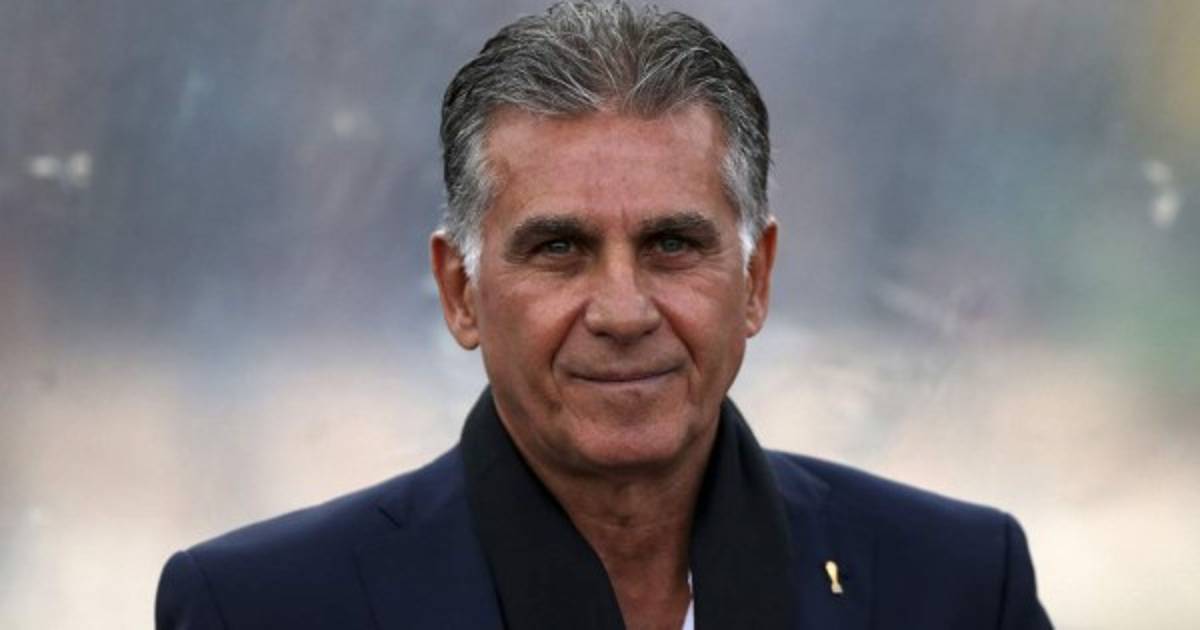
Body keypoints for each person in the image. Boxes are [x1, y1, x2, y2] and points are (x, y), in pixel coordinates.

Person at [156, 2, 1053, 628]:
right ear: (460, 292)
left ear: (756, 279)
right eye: (558, 248)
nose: (623, 312)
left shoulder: (958, 586)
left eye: (672, 244)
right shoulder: (263, 607)